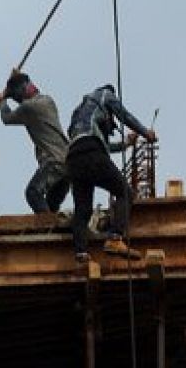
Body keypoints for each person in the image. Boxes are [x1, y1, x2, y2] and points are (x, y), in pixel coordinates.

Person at [65, 84, 157, 262]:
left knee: (83, 210)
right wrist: (146, 133)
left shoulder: (80, 112)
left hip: (74, 158)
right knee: (124, 191)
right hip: (91, 151)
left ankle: (81, 253)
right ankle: (115, 238)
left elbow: (101, 144)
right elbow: (125, 115)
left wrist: (125, 144)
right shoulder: (105, 94)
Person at [0, 70, 70, 214]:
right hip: (68, 163)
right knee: (50, 205)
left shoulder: (29, 108)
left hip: (54, 162)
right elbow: (25, 87)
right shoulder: (48, 100)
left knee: (33, 192)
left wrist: (1, 101)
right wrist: (16, 78)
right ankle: (51, 225)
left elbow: (7, 118)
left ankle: (48, 228)